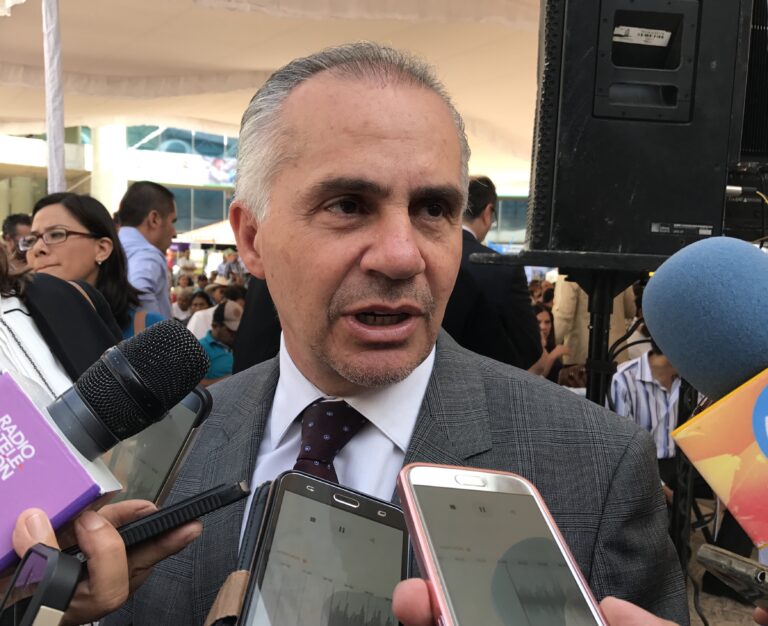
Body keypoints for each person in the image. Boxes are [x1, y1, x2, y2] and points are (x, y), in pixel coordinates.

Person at [15, 43, 686, 626]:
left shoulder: (594, 468)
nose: (401, 255)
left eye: (433, 209)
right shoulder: (164, 445)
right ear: (252, 238)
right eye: (347, 205)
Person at [24, 193, 164, 339]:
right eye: (32, 240)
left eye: (56, 234)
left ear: (102, 249)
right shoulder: (18, 327)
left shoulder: (150, 330)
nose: (37, 248)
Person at [444, 175, 542, 369]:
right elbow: (530, 347)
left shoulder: (424, 256)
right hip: (484, 379)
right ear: (488, 212)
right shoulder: (503, 268)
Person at [116, 181, 177, 319]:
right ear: (154, 219)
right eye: (172, 221)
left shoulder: (113, 248)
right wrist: (160, 330)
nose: (174, 232)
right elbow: (139, 291)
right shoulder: (147, 254)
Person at [552, 277, 636, 365]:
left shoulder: (568, 273)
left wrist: (549, 349)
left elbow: (563, 318)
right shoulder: (623, 270)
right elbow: (630, 311)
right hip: (617, 352)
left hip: (582, 356)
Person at [199, 300, 242, 386]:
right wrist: (232, 379)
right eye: (230, 330)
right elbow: (196, 386)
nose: (235, 334)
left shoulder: (241, 343)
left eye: (239, 329)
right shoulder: (200, 349)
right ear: (215, 326)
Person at [532, 302, 568, 383]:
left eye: (547, 322)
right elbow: (534, 380)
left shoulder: (550, 347)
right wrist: (552, 356)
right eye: (538, 322)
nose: (543, 327)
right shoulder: (526, 350)